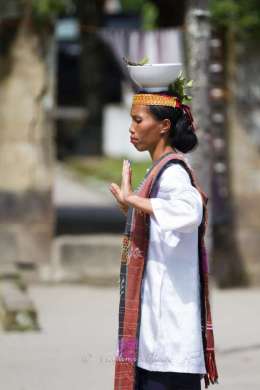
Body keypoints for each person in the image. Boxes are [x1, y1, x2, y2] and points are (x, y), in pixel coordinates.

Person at [109, 89, 218, 390]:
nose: (131, 128)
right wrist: (130, 205)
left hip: (170, 339)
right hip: (155, 335)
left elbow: (189, 210)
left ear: (164, 126)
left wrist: (135, 200)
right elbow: (161, 223)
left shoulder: (173, 173)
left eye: (138, 120)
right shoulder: (158, 171)